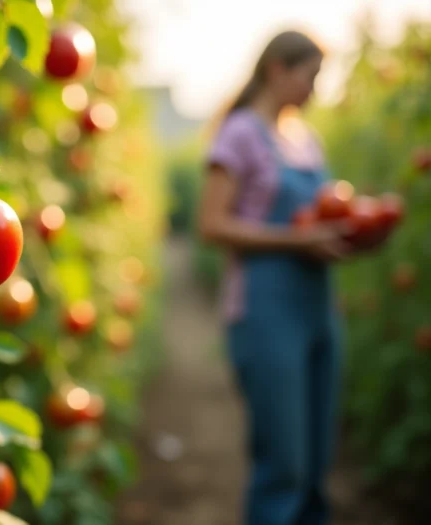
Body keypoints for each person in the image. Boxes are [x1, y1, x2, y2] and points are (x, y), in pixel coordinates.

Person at [198, 30, 353, 525]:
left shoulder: (307, 139)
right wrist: (297, 242)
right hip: (264, 313)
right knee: (283, 464)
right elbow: (211, 224)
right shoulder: (240, 132)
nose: (316, 90)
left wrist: (356, 232)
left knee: (315, 463)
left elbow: (318, 218)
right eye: (311, 77)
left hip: (317, 308)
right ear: (277, 70)